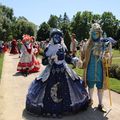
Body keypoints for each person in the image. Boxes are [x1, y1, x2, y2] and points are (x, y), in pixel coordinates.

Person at [26, 28, 88, 118]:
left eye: (58, 36)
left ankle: (64, 109)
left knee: (65, 89)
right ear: (51, 37)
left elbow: (67, 57)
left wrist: (74, 60)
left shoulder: (63, 46)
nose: (57, 38)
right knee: (51, 90)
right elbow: (44, 61)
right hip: (51, 71)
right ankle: (50, 110)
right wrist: (52, 58)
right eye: (55, 36)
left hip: (63, 70)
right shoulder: (49, 47)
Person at [83, 23, 113, 113]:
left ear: (100, 33)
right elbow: (84, 56)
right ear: (91, 33)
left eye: (96, 32)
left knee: (100, 87)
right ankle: (90, 100)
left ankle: (100, 104)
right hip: (90, 69)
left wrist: (107, 55)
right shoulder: (88, 44)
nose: (95, 34)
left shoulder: (104, 42)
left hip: (100, 69)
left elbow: (108, 55)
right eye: (93, 32)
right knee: (91, 86)